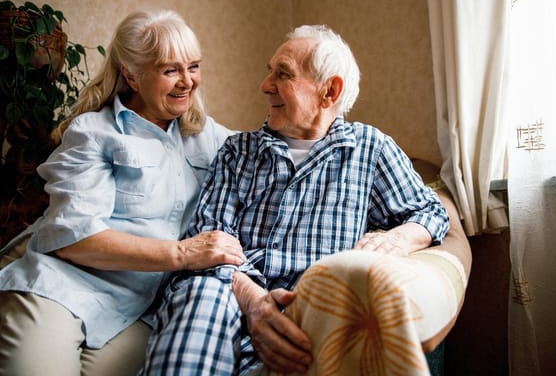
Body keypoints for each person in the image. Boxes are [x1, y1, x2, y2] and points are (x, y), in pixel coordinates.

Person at [139, 24, 449, 375]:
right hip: (228, 293)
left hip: (307, 307)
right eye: (269, 71)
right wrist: (255, 302)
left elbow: (430, 212)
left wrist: (395, 239)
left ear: (329, 91)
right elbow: (208, 242)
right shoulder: (238, 152)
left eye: (282, 74)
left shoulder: (369, 149)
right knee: (202, 296)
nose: (264, 85)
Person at [0, 10, 243, 376]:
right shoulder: (93, 132)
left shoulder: (210, 137)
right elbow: (73, 239)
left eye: (193, 66)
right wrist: (183, 253)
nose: (187, 82)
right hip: (60, 290)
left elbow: (278, 151)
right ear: (131, 74)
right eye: (169, 70)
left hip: (139, 311)